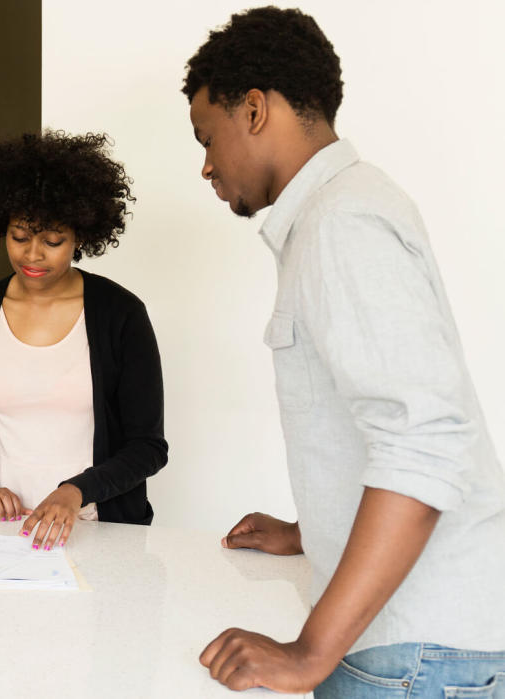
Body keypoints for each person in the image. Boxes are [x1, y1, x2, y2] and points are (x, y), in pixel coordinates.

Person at [184, 7, 505, 696]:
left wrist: (308, 653)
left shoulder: (341, 221)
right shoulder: (343, 209)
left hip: (414, 652)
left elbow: (426, 439)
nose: (206, 165)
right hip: (419, 643)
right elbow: (387, 413)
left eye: (207, 136)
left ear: (255, 110)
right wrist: (312, 528)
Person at [0, 131, 167, 552]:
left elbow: (148, 447)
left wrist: (75, 491)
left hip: (101, 531)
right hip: (3, 532)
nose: (32, 255)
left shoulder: (121, 314)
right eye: (19, 237)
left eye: (53, 241)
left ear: (80, 235)